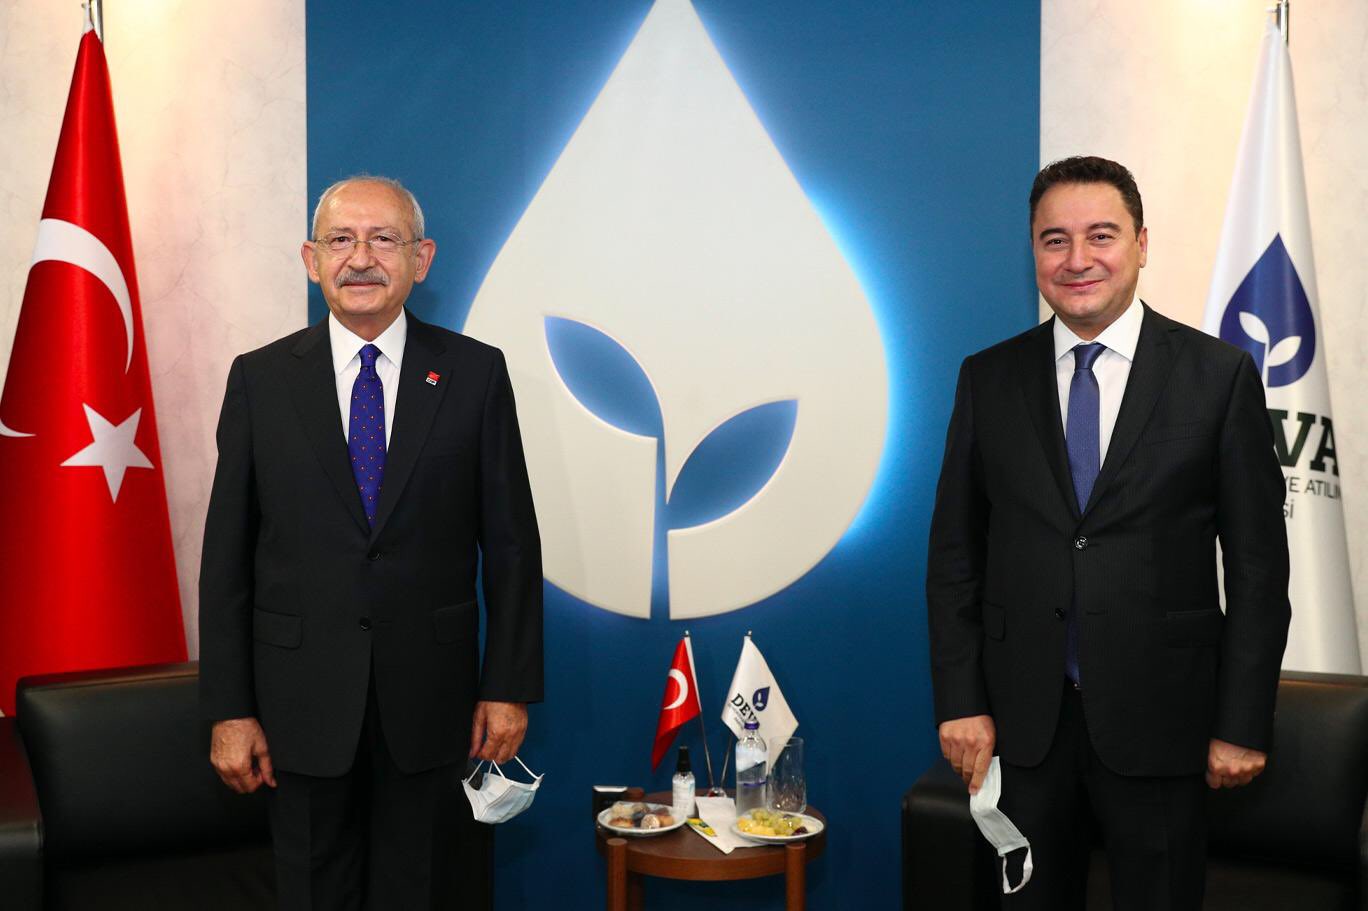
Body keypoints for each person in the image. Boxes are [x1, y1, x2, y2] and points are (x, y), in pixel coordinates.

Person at [926, 156, 1290, 909]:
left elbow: (1258, 568)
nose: (1077, 259)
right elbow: (956, 556)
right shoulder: (987, 379)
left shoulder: (1218, 377)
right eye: (1054, 239)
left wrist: (1242, 722)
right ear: (1033, 250)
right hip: (1022, 728)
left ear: (1142, 244)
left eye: (1101, 235)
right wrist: (961, 699)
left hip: (1166, 723)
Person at [199, 175, 543, 909]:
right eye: (340, 240)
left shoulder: (475, 373)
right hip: (298, 709)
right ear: (310, 259)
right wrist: (229, 708)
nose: (361, 258)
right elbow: (226, 559)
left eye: (383, 239)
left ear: (422, 258)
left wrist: (507, 686)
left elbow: (512, 545)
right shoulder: (260, 380)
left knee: (426, 892)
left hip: (434, 706)